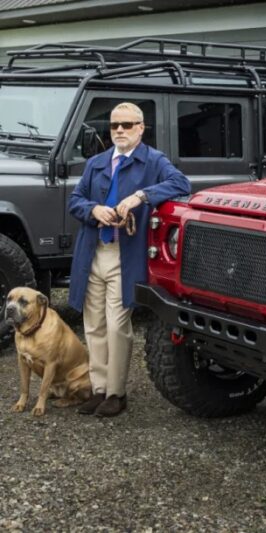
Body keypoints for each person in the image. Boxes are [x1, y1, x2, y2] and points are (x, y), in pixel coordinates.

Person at [68, 102, 190, 417]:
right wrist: (93, 210)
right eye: (114, 126)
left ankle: (116, 393)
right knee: (92, 323)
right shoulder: (96, 162)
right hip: (93, 251)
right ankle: (97, 389)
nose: (119, 131)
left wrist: (141, 196)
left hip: (125, 254)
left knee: (117, 325)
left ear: (140, 128)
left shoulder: (153, 161)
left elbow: (181, 184)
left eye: (126, 125)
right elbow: (75, 200)